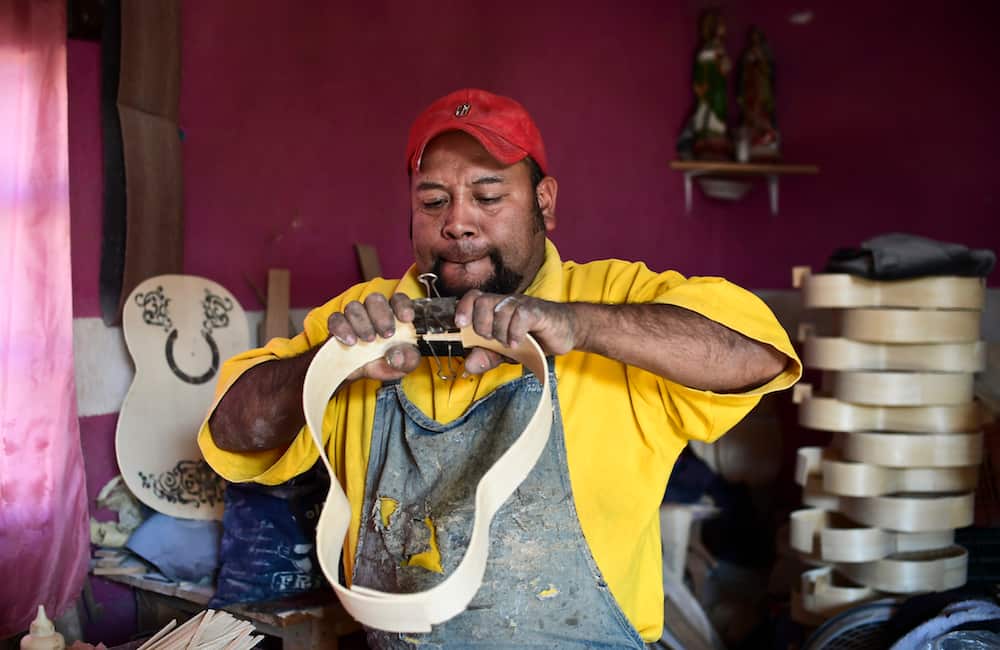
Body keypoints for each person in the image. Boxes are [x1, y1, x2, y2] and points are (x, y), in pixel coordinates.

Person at [199, 88, 801, 648]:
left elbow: (758, 355)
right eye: (433, 201)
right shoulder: (366, 318)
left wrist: (578, 326)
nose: (458, 222)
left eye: (487, 197)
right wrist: (330, 365)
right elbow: (232, 433)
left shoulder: (613, 297)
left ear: (544, 202)